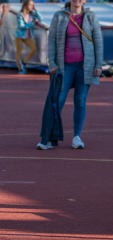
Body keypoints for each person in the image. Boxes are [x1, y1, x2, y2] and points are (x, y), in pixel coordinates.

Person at [38, 0, 103, 150]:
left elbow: (98, 41)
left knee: (80, 101)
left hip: (85, 66)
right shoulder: (59, 16)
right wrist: (51, 63)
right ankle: (49, 138)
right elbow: (52, 40)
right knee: (57, 101)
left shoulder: (91, 16)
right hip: (64, 66)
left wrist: (98, 65)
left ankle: (77, 137)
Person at [15, 0, 42, 75]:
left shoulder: (32, 14)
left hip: (27, 36)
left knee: (34, 48)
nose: (31, 7)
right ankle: (20, 68)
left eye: (32, 5)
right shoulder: (20, 15)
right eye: (30, 5)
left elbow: (40, 18)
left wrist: (36, 10)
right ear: (25, 5)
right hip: (19, 36)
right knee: (18, 52)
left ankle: (24, 62)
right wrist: (32, 24)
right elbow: (21, 26)